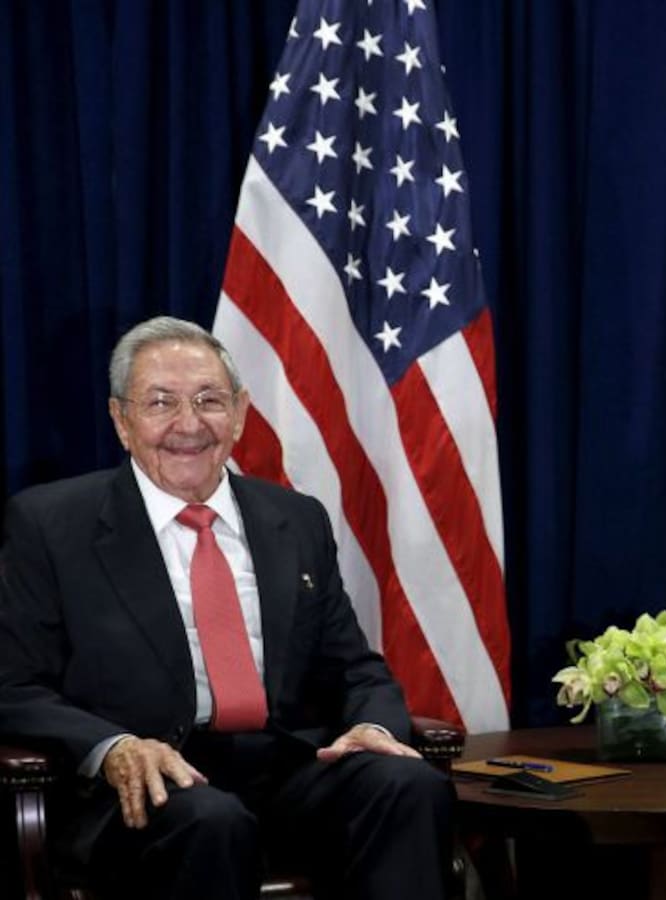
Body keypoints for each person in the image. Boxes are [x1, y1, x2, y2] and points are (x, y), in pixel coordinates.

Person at [0, 317, 454, 899]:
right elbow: (13, 687)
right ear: (121, 420)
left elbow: (355, 668)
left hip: (287, 769)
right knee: (211, 821)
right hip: (147, 789)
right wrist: (113, 747)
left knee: (406, 785)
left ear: (239, 413)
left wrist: (371, 726)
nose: (188, 424)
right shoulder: (50, 524)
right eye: (160, 402)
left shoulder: (297, 519)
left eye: (209, 400)